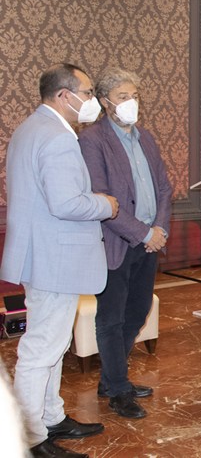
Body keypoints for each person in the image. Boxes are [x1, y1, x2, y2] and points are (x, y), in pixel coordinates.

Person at [0, 64, 119, 458]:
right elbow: (66, 203)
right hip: (54, 259)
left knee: (53, 343)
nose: (91, 100)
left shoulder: (30, 128)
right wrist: (105, 204)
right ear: (64, 96)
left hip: (44, 256)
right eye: (86, 93)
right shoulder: (57, 138)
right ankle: (31, 438)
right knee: (41, 350)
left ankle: (50, 416)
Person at [79, 67, 173, 419]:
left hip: (149, 242)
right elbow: (101, 198)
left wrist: (158, 229)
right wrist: (144, 233)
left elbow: (164, 188)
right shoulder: (93, 140)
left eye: (135, 96)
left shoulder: (145, 137)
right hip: (115, 244)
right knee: (111, 318)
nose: (131, 102)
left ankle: (110, 379)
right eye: (123, 97)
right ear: (105, 102)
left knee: (138, 311)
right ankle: (118, 389)